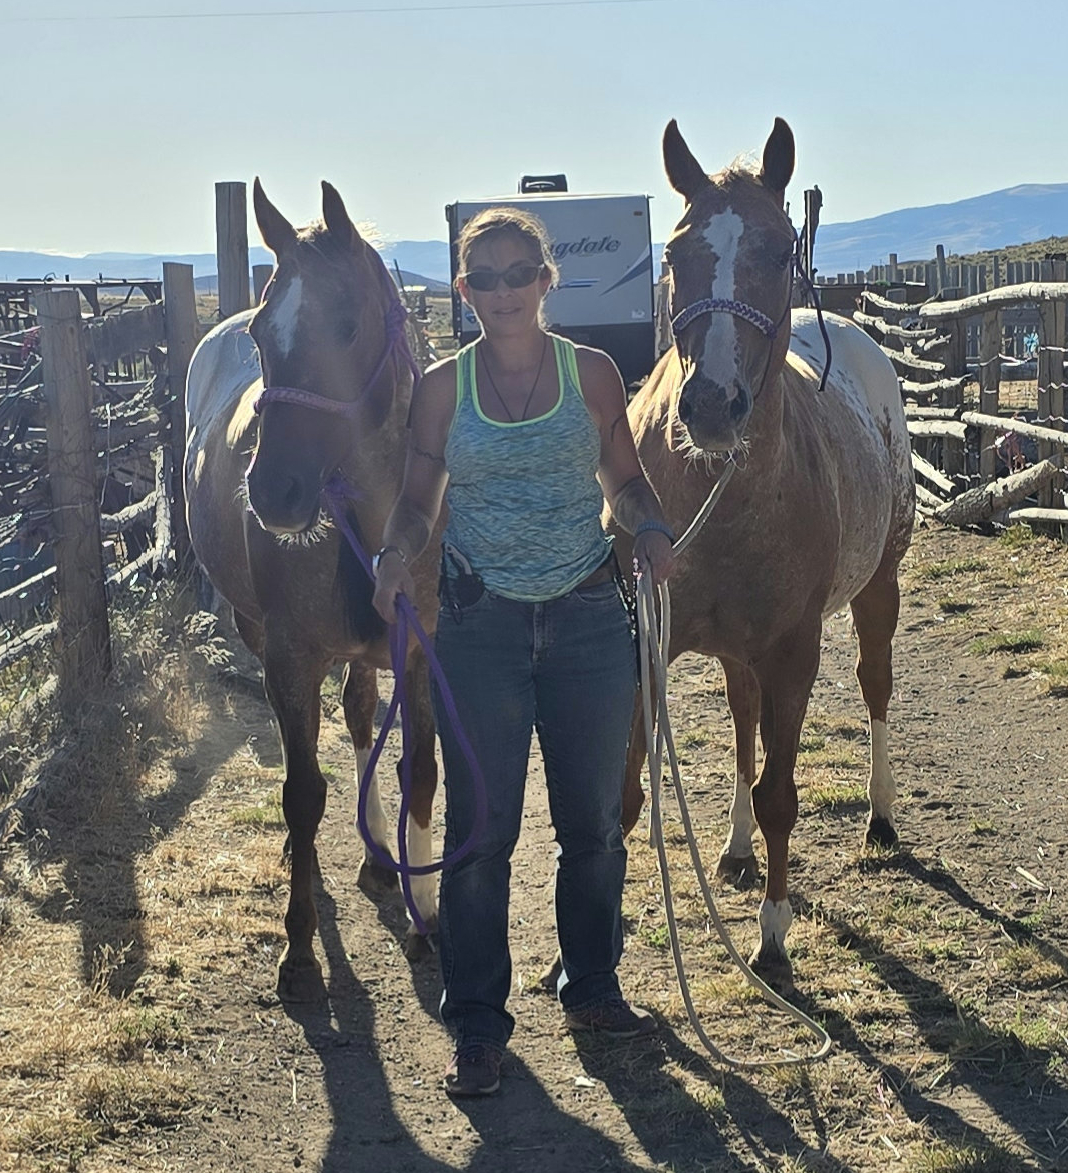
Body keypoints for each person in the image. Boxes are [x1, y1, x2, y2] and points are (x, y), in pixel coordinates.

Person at [372, 207, 674, 1098]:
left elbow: (622, 480)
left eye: (519, 274)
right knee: (481, 833)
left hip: (587, 619)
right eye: (485, 278)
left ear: (547, 280)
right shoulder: (440, 388)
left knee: (592, 827)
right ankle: (475, 1023)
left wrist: (648, 528)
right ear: (464, 293)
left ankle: (592, 984)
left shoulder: (593, 374)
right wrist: (395, 553)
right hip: (481, 626)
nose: (503, 292)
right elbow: (419, 499)